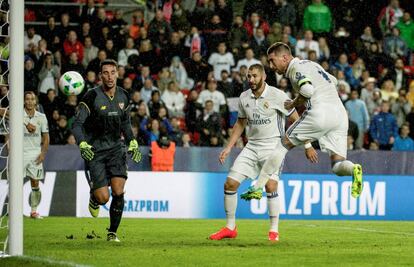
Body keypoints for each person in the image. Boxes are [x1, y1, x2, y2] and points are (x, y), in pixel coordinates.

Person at [241, 42, 363, 201]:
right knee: (337, 166)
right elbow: (333, 81)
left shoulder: (295, 69)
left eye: (272, 60)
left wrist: (294, 102)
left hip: (320, 112)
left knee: (282, 143)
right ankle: (354, 169)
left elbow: (307, 90)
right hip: (340, 115)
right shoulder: (312, 64)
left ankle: (257, 188)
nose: (271, 66)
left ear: (285, 57)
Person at [209, 64, 308, 242]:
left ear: (263, 77)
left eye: (254, 76)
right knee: (229, 184)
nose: (251, 80)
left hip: (272, 147)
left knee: (270, 186)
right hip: (251, 146)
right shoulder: (244, 97)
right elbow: (240, 124)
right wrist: (229, 147)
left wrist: (307, 145)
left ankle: (274, 230)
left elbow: (296, 119)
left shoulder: (277, 95)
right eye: (248, 76)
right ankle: (230, 227)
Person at [72, 59, 142, 242]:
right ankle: (94, 195)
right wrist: (82, 143)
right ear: (100, 75)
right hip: (95, 151)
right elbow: (77, 125)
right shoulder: (91, 96)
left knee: (118, 190)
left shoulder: (124, 96)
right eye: (105, 73)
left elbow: (125, 123)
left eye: (113, 72)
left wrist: (132, 141)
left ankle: (112, 233)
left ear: (118, 74)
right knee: (103, 198)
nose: (109, 76)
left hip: (116, 149)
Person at [23, 91, 49, 219]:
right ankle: (14, 210)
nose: (29, 101)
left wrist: (43, 153)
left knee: (35, 183)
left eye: (32, 99)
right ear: (23, 101)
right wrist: (25, 122)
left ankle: (33, 211)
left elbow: (46, 137)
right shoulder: (17, 114)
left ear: (35, 101)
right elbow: (2, 111)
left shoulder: (41, 117)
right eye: (27, 99)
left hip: (35, 153)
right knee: (15, 183)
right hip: (20, 153)